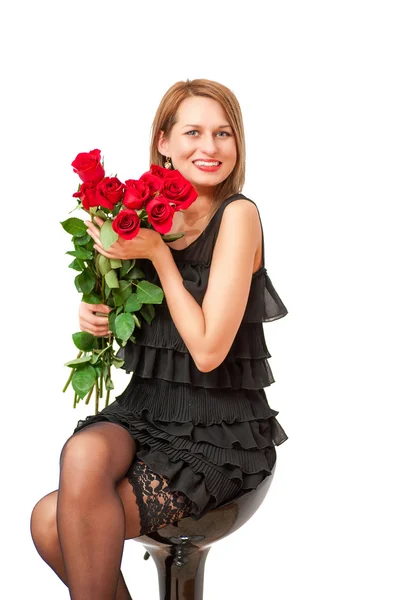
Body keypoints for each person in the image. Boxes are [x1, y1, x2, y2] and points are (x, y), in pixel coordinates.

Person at [30, 78, 289, 599]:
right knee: (52, 504)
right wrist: (96, 312)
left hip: (219, 436)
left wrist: (159, 257)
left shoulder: (238, 216)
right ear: (164, 142)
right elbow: (141, 315)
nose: (209, 147)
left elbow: (209, 349)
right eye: (193, 131)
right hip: (147, 413)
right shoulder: (148, 214)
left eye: (223, 133)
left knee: (55, 519)